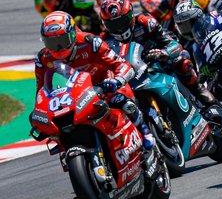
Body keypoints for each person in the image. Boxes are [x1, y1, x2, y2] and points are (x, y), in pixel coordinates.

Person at [35, 11, 155, 148]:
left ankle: (146, 132)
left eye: (62, 41)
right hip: (75, 94)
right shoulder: (43, 59)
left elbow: (122, 65)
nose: (58, 48)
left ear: (72, 35)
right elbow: (41, 90)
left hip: (105, 83)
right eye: (51, 43)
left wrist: (117, 80)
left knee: (123, 102)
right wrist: (40, 111)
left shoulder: (91, 43)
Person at [99, 0, 219, 108]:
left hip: (158, 61)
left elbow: (173, 44)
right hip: (131, 74)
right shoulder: (104, 40)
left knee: (182, 61)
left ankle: (204, 96)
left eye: (122, 21)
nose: (119, 28)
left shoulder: (144, 22)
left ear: (130, 15)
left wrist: (164, 53)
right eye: (113, 25)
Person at [173, 0, 222, 99]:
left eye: (189, 24)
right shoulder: (195, 48)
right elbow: (205, 73)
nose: (187, 30)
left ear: (199, 17)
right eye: (182, 26)